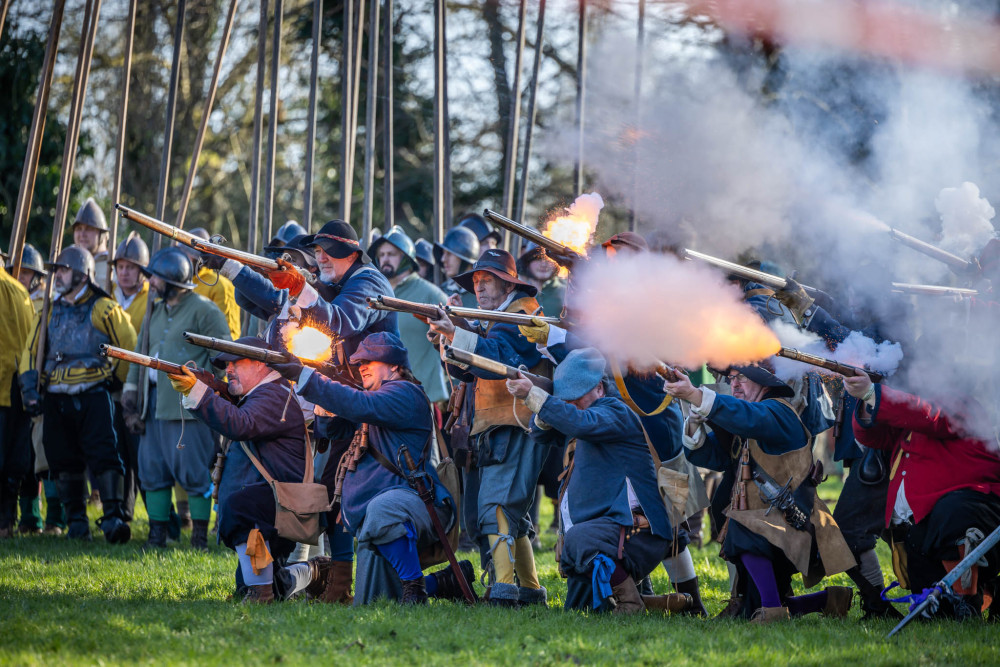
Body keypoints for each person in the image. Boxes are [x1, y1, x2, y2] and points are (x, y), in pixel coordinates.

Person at [275, 332, 473, 605]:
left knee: (383, 510)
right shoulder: (375, 397)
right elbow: (334, 430)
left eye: (370, 360)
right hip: (379, 513)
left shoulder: (404, 392)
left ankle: (416, 590)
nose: (362, 366)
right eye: (359, 362)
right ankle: (444, 582)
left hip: (416, 503)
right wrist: (325, 399)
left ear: (394, 365)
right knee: (372, 601)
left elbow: (360, 405)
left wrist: (308, 377)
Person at [665, 363, 856, 622]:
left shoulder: (778, 411)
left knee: (744, 525)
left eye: (742, 377)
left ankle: (772, 612)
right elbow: (714, 457)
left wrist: (695, 395)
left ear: (765, 383)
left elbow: (750, 417)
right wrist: (695, 423)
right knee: (749, 609)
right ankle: (827, 600)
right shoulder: (750, 416)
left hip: (792, 528)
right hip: (769, 531)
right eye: (731, 378)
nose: (734, 384)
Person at [510, 348, 688, 614]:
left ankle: (631, 604)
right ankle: (647, 601)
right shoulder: (579, 411)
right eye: (566, 398)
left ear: (600, 389)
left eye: (577, 395)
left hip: (635, 531)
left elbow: (581, 423)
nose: (571, 403)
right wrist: (547, 403)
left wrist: (534, 395)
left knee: (579, 541)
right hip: (607, 531)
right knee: (578, 608)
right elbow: (540, 433)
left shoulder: (615, 411)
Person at [427, 248, 550, 606]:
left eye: (488, 280)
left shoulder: (522, 315)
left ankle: (503, 590)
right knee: (510, 510)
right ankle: (529, 589)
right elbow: (468, 369)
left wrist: (458, 331)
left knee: (496, 506)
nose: (478, 287)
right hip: (499, 424)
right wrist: (454, 331)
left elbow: (497, 356)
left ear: (508, 284)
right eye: (477, 280)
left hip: (515, 424)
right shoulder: (498, 317)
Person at [846, 371, 1000, 620]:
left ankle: (969, 599)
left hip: (974, 506)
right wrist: (867, 400)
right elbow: (873, 436)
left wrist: (873, 392)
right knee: (934, 613)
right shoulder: (913, 415)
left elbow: (930, 416)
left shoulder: (962, 404)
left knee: (953, 515)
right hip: (925, 519)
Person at [167, 337, 307, 602]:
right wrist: (204, 389)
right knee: (265, 585)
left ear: (260, 363)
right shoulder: (261, 393)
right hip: (270, 501)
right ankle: (313, 572)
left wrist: (199, 392)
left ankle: (262, 594)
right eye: (227, 365)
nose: (228, 369)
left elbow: (241, 424)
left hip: (275, 504)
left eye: (235, 363)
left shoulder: (273, 394)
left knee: (242, 507)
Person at [19, 245, 136, 543]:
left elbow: (128, 345)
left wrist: (115, 380)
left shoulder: (104, 308)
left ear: (82, 275)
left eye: (64, 269)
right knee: (62, 458)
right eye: (57, 270)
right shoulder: (49, 310)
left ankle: (113, 518)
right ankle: (76, 523)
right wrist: (30, 388)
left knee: (105, 454)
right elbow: (31, 351)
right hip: (56, 396)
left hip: (94, 394)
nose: (57, 275)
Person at [122, 247, 231, 549]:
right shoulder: (154, 311)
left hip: (189, 409)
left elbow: (224, 360)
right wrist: (131, 394)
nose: (151, 282)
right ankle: (156, 536)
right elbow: (140, 356)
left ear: (172, 279)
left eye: (156, 277)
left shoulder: (205, 311)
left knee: (194, 472)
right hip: (153, 405)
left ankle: (199, 537)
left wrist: (212, 399)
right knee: (152, 470)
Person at [370, 226, 449, 405]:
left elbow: (455, 343)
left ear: (406, 258)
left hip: (424, 396)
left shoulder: (431, 295)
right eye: (381, 255)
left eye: (391, 254)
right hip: (385, 396)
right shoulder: (376, 294)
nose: (385, 259)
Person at [111, 232, 151, 524]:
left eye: (130, 267)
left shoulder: (152, 299)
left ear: (141, 271)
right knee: (119, 451)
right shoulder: (107, 296)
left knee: (142, 456)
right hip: (111, 384)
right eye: (120, 267)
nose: (124, 272)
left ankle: (161, 520)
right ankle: (124, 511)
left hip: (140, 388)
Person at [0, 251, 37, 537]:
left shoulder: (13, 290)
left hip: (9, 384)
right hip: (15, 386)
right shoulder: (19, 291)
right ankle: (6, 522)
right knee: (12, 459)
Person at [178, 228, 241, 340]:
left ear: (195, 258)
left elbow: (229, 334)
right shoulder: (178, 285)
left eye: (184, 255)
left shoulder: (221, 286)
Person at [434, 226, 480, 308]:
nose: (443, 259)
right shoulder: (441, 291)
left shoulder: (482, 294)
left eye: (449, 254)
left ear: (464, 259)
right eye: (443, 253)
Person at [71, 198, 111, 285]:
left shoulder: (117, 266)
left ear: (102, 234)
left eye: (89, 229)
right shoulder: (68, 261)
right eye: (78, 229)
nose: (82, 234)